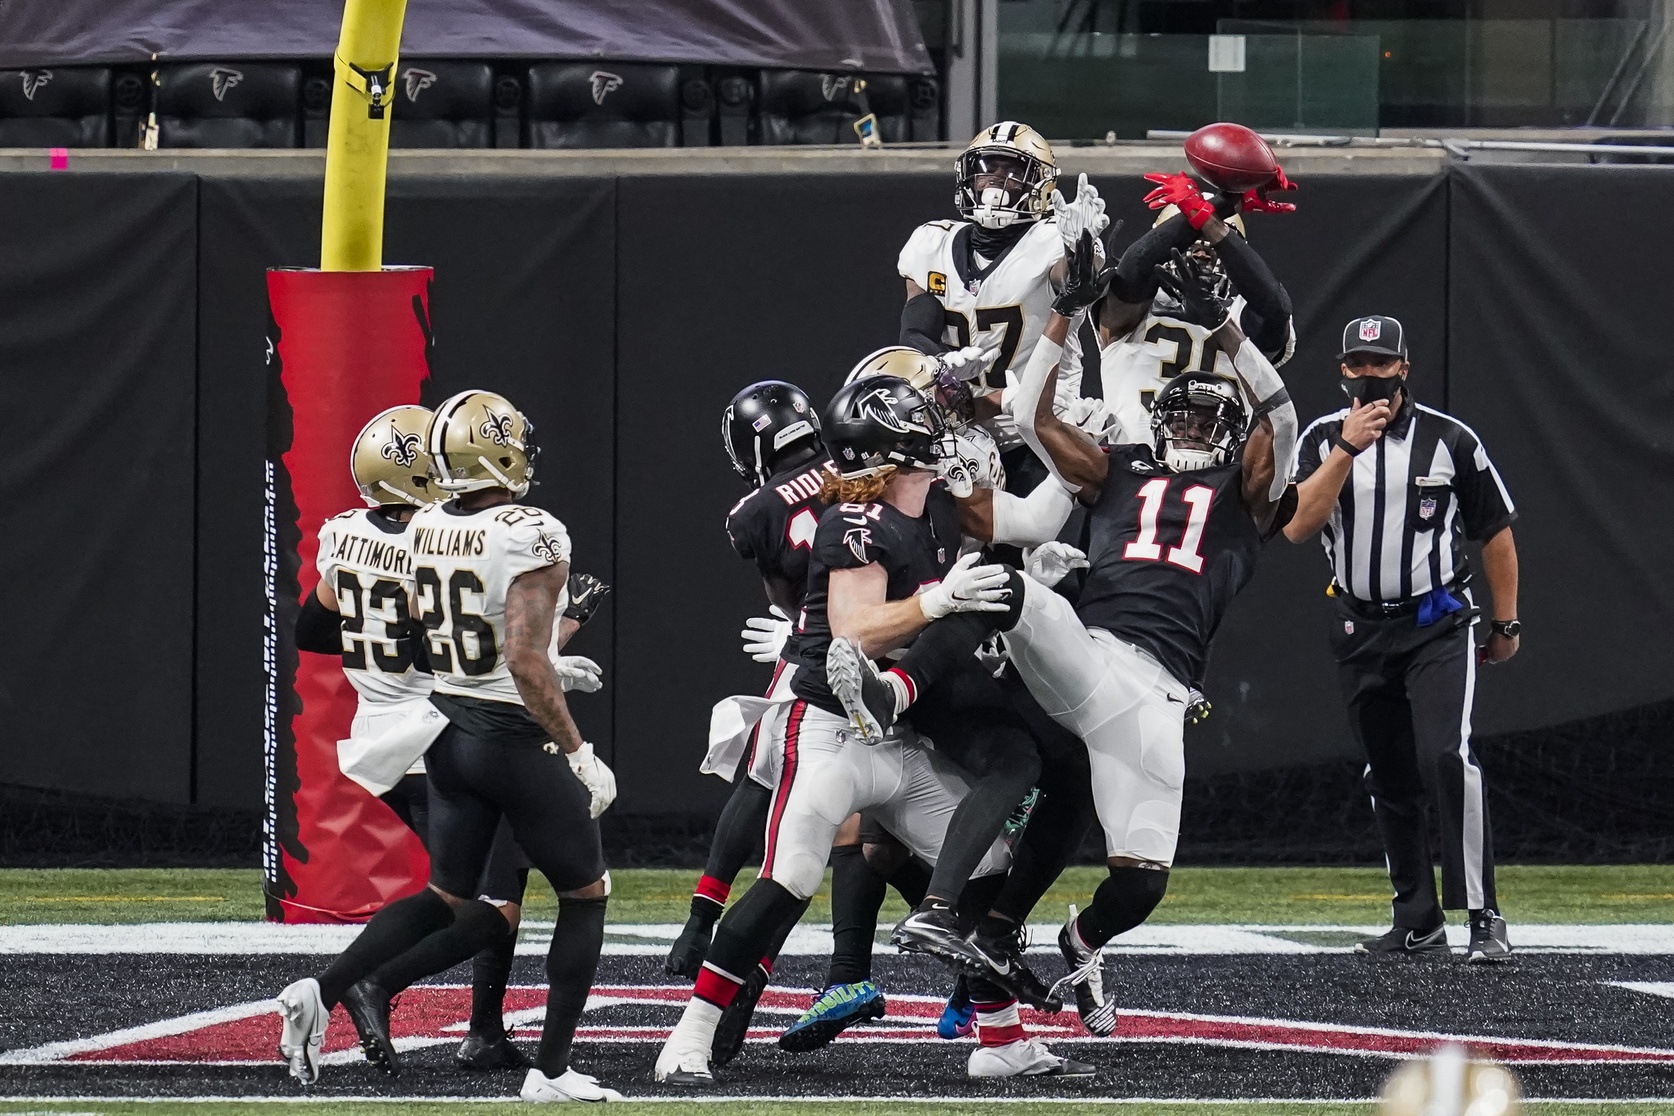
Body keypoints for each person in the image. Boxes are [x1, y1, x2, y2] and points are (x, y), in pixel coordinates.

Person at [830, 230, 1299, 1037]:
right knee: (1002, 581)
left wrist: (1226, 326)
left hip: (1159, 699)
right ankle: (897, 693)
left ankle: (1062, 939)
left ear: (1229, 437)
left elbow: (1282, 413)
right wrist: (1064, 321)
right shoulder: (1113, 468)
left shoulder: (1243, 498)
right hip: (1093, 659)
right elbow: (1026, 410)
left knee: (1140, 881)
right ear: (1156, 419)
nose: (1188, 426)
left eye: (1203, 417)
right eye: (1177, 412)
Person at [654, 375, 1087, 1084]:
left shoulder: (938, 510)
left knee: (986, 868)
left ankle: (1002, 1041)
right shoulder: (853, 520)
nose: (937, 434)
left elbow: (1024, 513)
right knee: (789, 877)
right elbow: (854, 629)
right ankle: (691, 1034)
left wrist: (1066, 449)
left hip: (897, 731)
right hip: (826, 725)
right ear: (894, 444)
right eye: (922, 424)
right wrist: (939, 599)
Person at [276, 390, 622, 1103]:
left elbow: (428, 627)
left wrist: (546, 665)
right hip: (505, 732)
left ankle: (327, 987)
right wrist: (580, 748)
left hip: (446, 731)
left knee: (448, 893)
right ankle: (550, 1073)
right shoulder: (535, 531)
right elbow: (522, 661)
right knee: (584, 894)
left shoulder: (421, 524)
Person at [1285, 316, 1518, 963]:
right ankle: (1416, 917)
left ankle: (1484, 916)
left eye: (1381, 366)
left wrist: (1506, 622)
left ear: (1404, 370)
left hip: (1436, 623)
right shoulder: (1319, 439)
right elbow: (1298, 526)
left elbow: (1495, 531)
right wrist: (1345, 450)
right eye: (1358, 366)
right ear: (1342, 371)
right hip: (1361, 627)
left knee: (1445, 757)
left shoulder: (1450, 440)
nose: (1370, 378)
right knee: (1386, 773)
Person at [897, 121, 1110, 477]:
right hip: (959, 428)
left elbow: (1075, 280)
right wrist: (944, 364)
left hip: (1040, 429)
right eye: (988, 168)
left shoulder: (1051, 240)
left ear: (1039, 184)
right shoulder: (930, 243)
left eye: (1012, 170)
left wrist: (1080, 250)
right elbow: (914, 333)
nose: (996, 178)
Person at [1065, 168, 1296, 451]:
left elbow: (1276, 309)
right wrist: (1218, 206)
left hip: (1215, 473)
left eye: (1212, 241)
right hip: (1129, 466)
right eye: (1191, 241)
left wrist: (1207, 215)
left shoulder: (1243, 315)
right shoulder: (1133, 310)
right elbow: (1136, 267)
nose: (1201, 252)